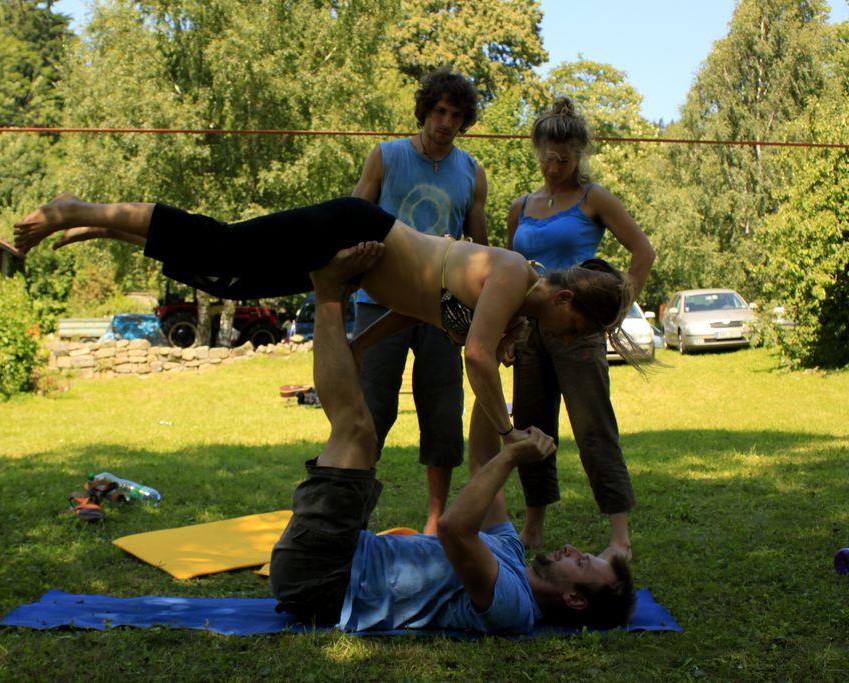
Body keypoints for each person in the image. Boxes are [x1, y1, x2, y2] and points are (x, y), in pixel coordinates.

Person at [14, 191, 637, 457]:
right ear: (566, 303)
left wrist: (361, 344)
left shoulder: (508, 300)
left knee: (228, 278)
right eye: (576, 329)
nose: (566, 341)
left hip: (358, 256)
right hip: (350, 231)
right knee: (226, 248)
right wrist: (508, 431)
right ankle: (83, 208)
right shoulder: (508, 272)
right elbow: (474, 359)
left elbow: (414, 306)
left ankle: (109, 225)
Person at [268, 245, 635, 633]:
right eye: (584, 555)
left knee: (357, 432)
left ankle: (327, 293)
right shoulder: (509, 550)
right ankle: (335, 302)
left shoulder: (512, 606)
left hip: (323, 574)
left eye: (580, 563)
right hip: (346, 550)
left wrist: (511, 454)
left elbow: (454, 528)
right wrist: (495, 362)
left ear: (575, 599)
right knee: (357, 431)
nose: (572, 550)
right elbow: (480, 458)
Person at [506, 96, 656, 561]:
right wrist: (508, 330)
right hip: (531, 331)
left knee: (593, 429)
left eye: (564, 159)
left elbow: (642, 252)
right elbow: (511, 271)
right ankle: (533, 526)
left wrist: (613, 308)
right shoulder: (521, 206)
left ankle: (620, 538)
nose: (553, 168)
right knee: (530, 427)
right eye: (546, 158)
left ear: (580, 155)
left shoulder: (594, 199)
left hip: (577, 331)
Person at [351, 68, 488, 534]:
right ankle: (353, 515)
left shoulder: (472, 171)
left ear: (465, 121)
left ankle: (435, 522)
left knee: (443, 412)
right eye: (439, 110)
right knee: (369, 411)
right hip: (380, 298)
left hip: (441, 309)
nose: (446, 121)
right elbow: (351, 220)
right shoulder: (386, 157)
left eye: (456, 114)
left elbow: (481, 249)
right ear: (425, 109)